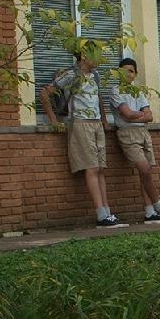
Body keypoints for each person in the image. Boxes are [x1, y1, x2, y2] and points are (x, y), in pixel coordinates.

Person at [41, 45, 125, 228]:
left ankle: (108, 212)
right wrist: (54, 121)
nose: (99, 59)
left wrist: (104, 120)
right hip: (80, 123)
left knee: (101, 168)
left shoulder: (95, 75)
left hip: (96, 125)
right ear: (85, 56)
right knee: (92, 168)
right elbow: (45, 93)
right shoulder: (71, 75)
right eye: (96, 55)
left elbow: (98, 99)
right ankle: (101, 215)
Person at [107, 57, 160, 223]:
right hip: (127, 134)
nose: (127, 74)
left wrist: (135, 116)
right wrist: (139, 115)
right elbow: (127, 114)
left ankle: (149, 212)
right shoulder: (115, 91)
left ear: (135, 74)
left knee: (147, 172)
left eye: (130, 71)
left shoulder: (139, 91)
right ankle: (159, 207)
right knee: (144, 169)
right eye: (123, 70)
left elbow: (149, 116)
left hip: (143, 133)